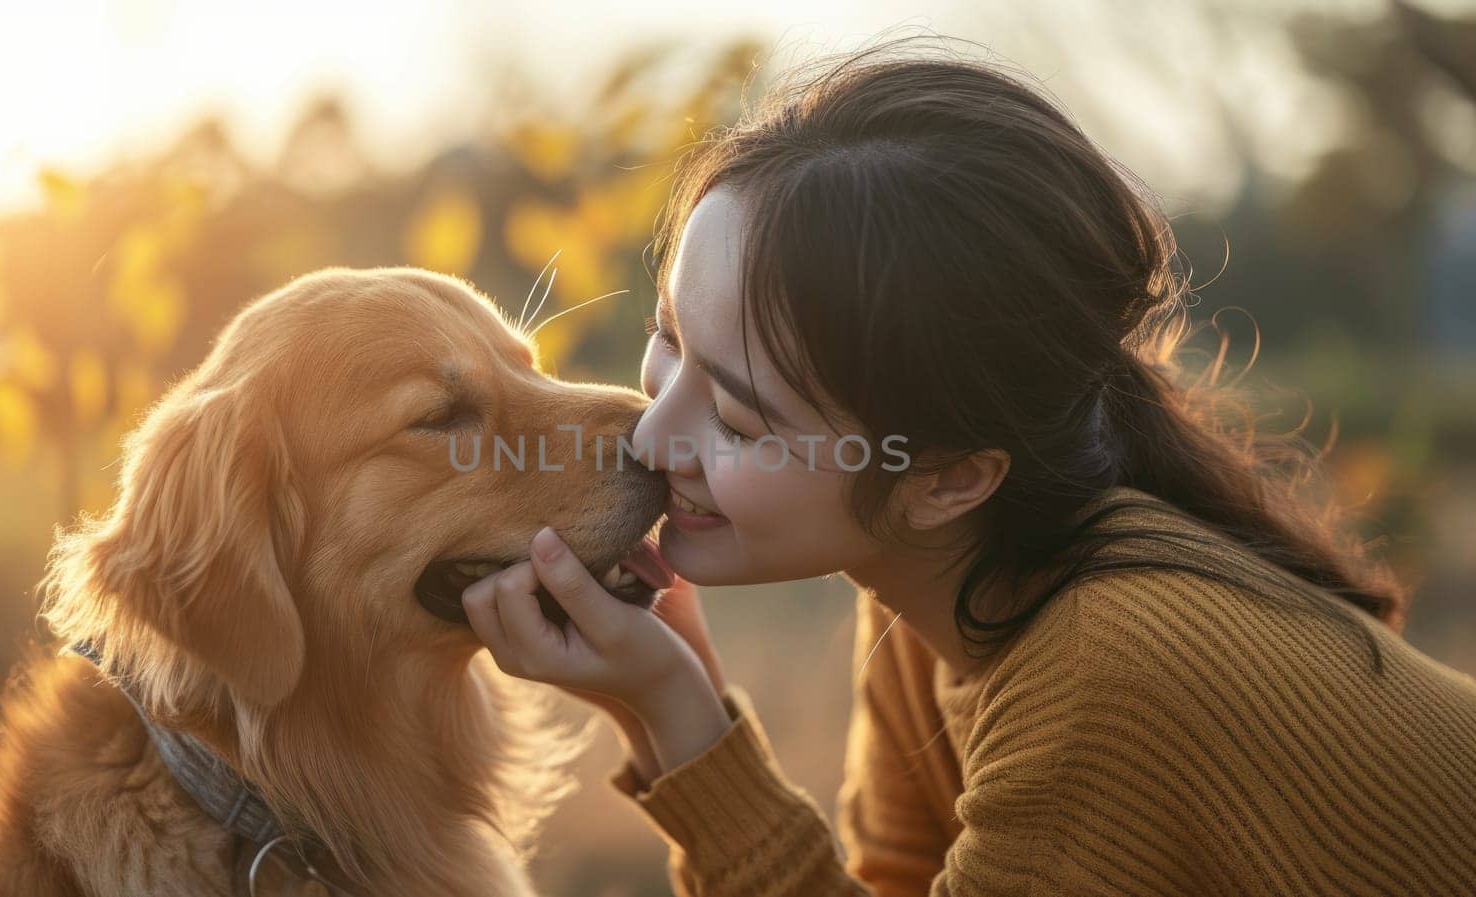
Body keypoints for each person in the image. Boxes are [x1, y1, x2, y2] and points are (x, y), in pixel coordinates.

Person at [459, 36, 1476, 897]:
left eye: (733, 417)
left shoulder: (1101, 671)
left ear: (949, 476)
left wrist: (677, 716)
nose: (648, 436)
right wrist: (663, 698)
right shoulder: (935, 586)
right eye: (667, 337)